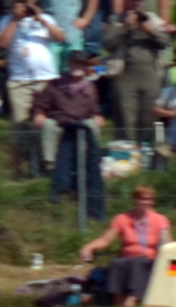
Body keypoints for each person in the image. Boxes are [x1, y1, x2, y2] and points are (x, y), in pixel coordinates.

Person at [33, 50, 104, 220]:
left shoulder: (90, 88)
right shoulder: (55, 85)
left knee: (92, 125)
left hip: (79, 124)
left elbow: (95, 111)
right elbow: (40, 106)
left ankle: (91, 162)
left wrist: (97, 117)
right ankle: (50, 166)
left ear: (85, 68)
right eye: (74, 63)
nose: (77, 67)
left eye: (81, 64)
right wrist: (39, 114)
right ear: (69, 64)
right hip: (60, 123)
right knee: (48, 125)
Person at [0, 0, 65, 177]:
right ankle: (18, 170)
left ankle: (48, 166)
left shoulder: (45, 18)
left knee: (47, 123)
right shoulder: (6, 20)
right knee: (20, 125)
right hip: (20, 81)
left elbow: (60, 38)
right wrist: (15, 20)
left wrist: (40, 18)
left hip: (46, 79)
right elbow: (2, 44)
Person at [78, 184, 171, 307]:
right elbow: (105, 239)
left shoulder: (160, 220)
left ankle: (131, 299)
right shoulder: (122, 219)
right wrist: (88, 247)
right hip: (127, 259)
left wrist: (165, 246)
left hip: (148, 260)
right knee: (117, 263)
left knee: (139, 264)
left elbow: (168, 243)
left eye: (148, 199)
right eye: (141, 199)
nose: (145, 202)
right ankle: (118, 301)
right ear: (135, 200)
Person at [103, 0, 172, 142]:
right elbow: (107, 44)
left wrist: (150, 30)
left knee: (148, 116)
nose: (136, 4)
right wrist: (125, 28)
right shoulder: (116, 20)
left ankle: (147, 152)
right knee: (126, 116)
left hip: (151, 75)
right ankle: (127, 151)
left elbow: (166, 42)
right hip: (125, 75)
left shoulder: (152, 19)